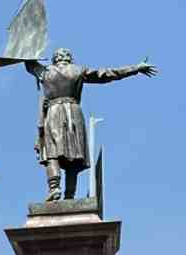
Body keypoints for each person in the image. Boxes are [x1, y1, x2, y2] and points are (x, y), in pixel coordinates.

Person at [24, 48, 156, 200]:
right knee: (74, 156)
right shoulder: (79, 70)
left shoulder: (45, 72)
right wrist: (135, 68)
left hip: (54, 113)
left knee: (52, 153)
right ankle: (69, 194)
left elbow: (28, 64)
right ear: (70, 58)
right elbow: (107, 74)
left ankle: (54, 188)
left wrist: (28, 49)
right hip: (74, 113)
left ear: (54, 59)